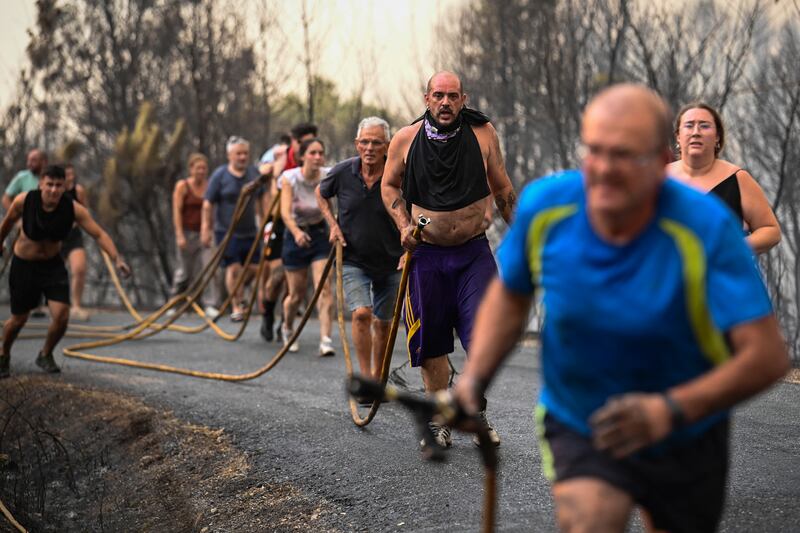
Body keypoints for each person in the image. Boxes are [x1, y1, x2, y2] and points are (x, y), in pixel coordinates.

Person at [452, 84, 789, 533]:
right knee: (592, 519)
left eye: (625, 155)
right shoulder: (548, 209)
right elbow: (511, 297)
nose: (605, 170)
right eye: (595, 151)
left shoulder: (705, 227)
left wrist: (669, 410)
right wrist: (474, 380)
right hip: (583, 417)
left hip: (686, 428)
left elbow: (766, 357)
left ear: (660, 159)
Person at [382, 71, 516, 449]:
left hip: (473, 253)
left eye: (452, 96)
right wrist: (403, 224)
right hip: (426, 255)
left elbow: (503, 187)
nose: (445, 102)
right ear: (426, 99)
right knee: (433, 343)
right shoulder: (406, 140)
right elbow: (389, 185)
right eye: (438, 95)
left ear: (463, 99)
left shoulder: (484, 133)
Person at [0, 165, 131, 379]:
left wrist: (117, 258)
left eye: (58, 185)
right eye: (49, 184)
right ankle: (4, 354)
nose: (53, 190)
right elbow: (5, 224)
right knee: (18, 319)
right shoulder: (24, 201)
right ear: (41, 183)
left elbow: (98, 234)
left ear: (65, 187)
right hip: (24, 265)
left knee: (62, 316)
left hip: (52, 265)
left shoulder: (73, 209)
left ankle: (45, 354)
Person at [317, 117, 403, 381]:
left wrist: (409, 246)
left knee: (384, 322)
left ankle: (379, 377)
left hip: (392, 261)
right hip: (353, 258)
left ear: (387, 145)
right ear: (356, 144)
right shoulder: (343, 172)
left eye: (376, 142)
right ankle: (365, 379)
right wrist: (332, 224)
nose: (369, 148)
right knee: (362, 314)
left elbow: (414, 209)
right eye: (364, 141)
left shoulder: (398, 174)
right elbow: (321, 194)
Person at [666, 102, 780, 255]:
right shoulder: (659, 179)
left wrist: (732, 246)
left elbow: (771, 231)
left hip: (724, 274)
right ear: (678, 137)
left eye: (704, 126)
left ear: (717, 137)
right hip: (669, 275)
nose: (696, 132)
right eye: (689, 125)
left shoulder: (737, 178)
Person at [258, 124, 318, 342]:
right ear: (293, 141)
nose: (309, 147)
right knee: (277, 274)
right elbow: (264, 172)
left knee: (294, 279)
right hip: (277, 222)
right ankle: (268, 312)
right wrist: (273, 169)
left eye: (312, 141)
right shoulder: (279, 154)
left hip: (302, 222)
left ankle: (285, 319)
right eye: (304, 142)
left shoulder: (314, 158)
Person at [201, 136, 269, 322]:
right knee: (233, 269)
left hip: (250, 231)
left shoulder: (253, 174)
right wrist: (206, 228)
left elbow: (263, 198)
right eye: (238, 153)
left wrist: (265, 222)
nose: (242, 157)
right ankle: (237, 306)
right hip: (226, 231)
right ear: (229, 155)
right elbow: (208, 203)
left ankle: (239, 293)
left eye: (245, 153)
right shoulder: (220, 175)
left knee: (255, 269)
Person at [278, 138, 334, 356]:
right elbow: (284, 212)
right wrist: (296, 233)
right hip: (295, 234)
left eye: (321, 153)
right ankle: (288, 328)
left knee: (324, 286)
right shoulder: (290, 178)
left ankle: (326, 339)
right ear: (302, 156)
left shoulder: (328, 175)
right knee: (296, 294)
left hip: (319, 234)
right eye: (312, 153)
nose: (318, 157)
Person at [169, 153, 213, 313]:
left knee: (207, 267)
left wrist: (207, 231)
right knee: (184, 271)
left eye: (204, 168)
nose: (201, 171)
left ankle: (209, 303)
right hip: (186, 232)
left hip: (204, 233)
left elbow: (210, 210)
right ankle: (174, 301)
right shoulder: (182, 186)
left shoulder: (209, 186)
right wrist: (180, 235)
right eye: (198, 168)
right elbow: (177, 211)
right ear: (191, 169)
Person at [60, 164, 90, 321]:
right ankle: (49, 305)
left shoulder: (78, 191)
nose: (69, 177)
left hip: (73, 236)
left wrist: (77, 222)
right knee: (51, 272)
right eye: (66, 174)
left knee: (79, 269)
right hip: (55, 237)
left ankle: (76, 306)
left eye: (71, 174)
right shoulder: (53, 191)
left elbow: (85, 212)